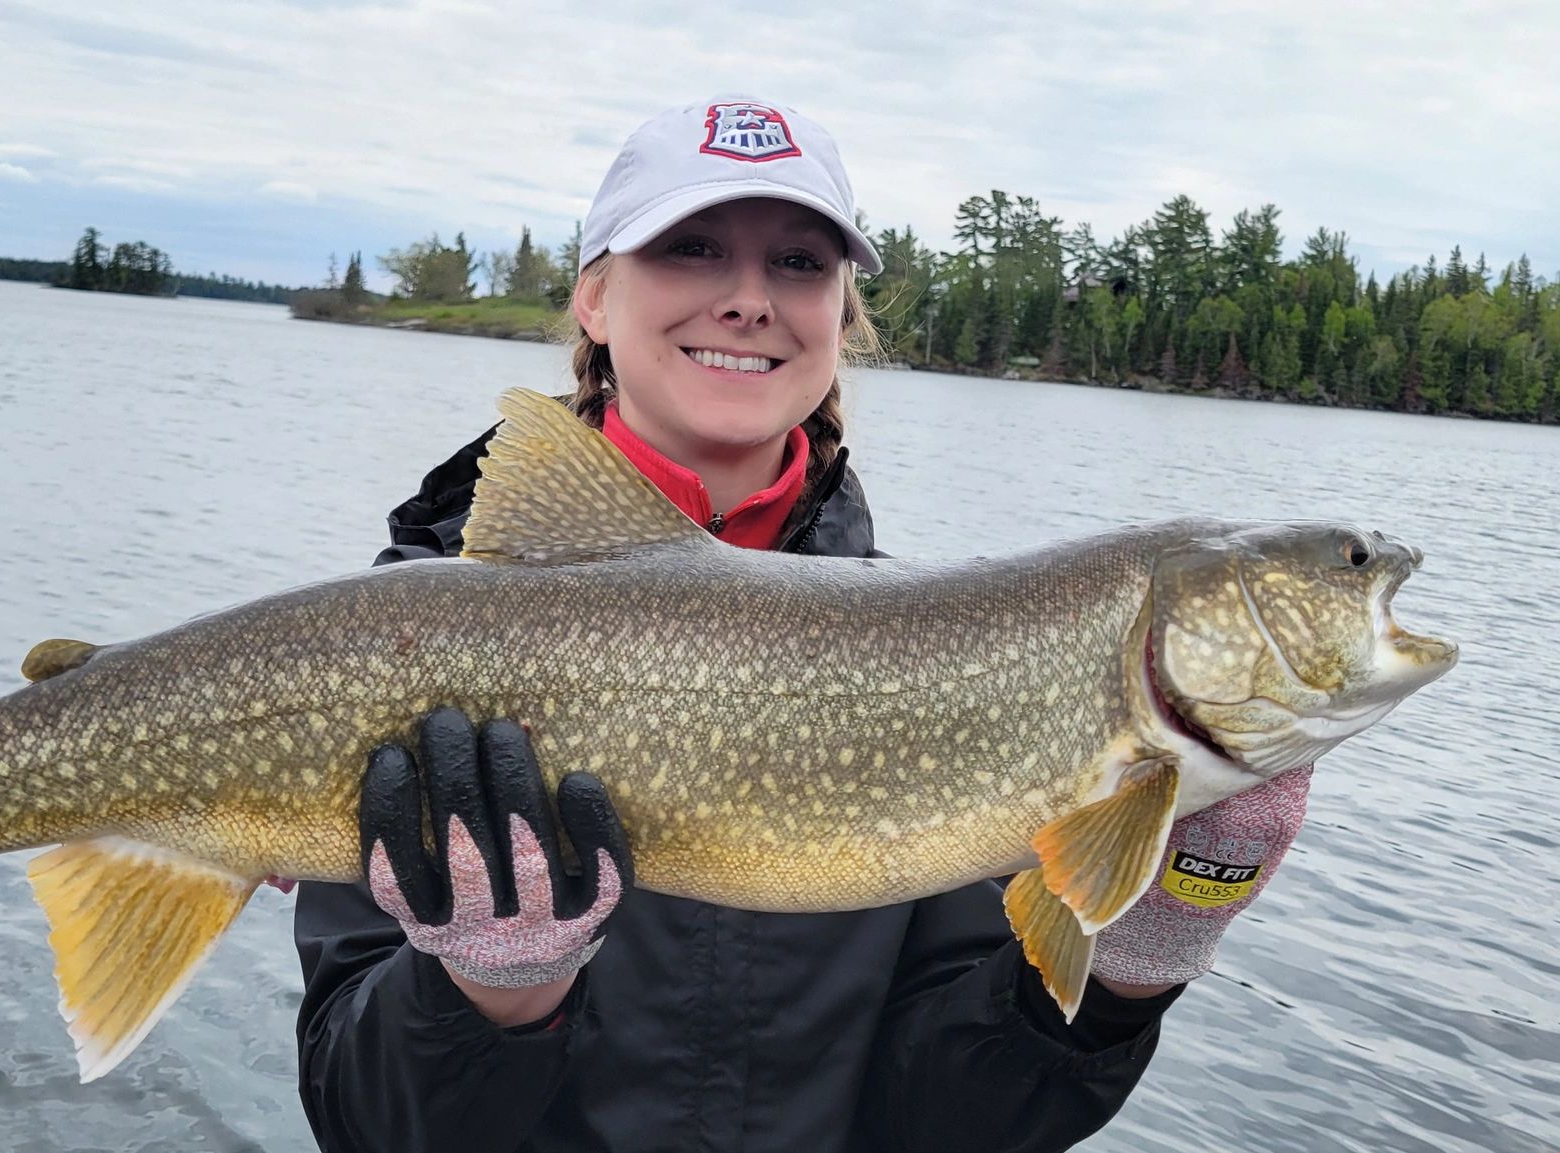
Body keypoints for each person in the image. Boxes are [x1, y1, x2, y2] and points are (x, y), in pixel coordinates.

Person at [291, 97, 1315, 1152]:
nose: (747, 300)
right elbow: (362, 1124)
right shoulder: (406, 644)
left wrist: (1135, 961)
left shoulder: (960, 653)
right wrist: (486, 992)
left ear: (842, 316)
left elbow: (945, 1126)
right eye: (691, 250)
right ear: (593, 297)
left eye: (796, 263)